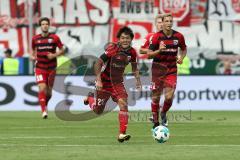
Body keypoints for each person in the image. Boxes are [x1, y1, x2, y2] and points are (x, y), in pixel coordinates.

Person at [84, 26, 141, 142]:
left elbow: (135, 68)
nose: (125, 40)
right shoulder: (112, 49)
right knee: (98, 111)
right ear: (119, 39)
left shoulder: (132, 52)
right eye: (123, 38)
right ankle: (90, 98)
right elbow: (98, 63)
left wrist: (138, 80)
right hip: (104, 82)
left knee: (123, 103)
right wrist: (99, 80)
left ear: (131, 39)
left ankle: (122, 134)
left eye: (128, 38)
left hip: (118, 83)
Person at [148, 14, 187, 128]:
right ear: (163, 23)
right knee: (156, 96)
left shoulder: (179, 36)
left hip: (171, 70)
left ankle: (163, 112)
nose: (169, 23)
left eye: (171, 21)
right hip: (157, 71)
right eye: (167, 21)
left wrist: (181, 58)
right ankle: (155, 122)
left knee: (169, 97)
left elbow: (184, 49)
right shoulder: (156, 37)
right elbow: (149, 55)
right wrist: (159, 50)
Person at [30, 17, 64, 119]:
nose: (45, 25)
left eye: (46, 24)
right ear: (40, 26)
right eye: (43, 24)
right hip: (40, 67)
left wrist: (54, 55)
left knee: (49, 92)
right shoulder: (35, 39)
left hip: (52, 68)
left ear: (49, 25)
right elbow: (32, 52)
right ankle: (44, 111)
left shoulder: (55, 38)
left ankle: (45, 104)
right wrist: (32, 57)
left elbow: (62, 50)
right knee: (42, 87)